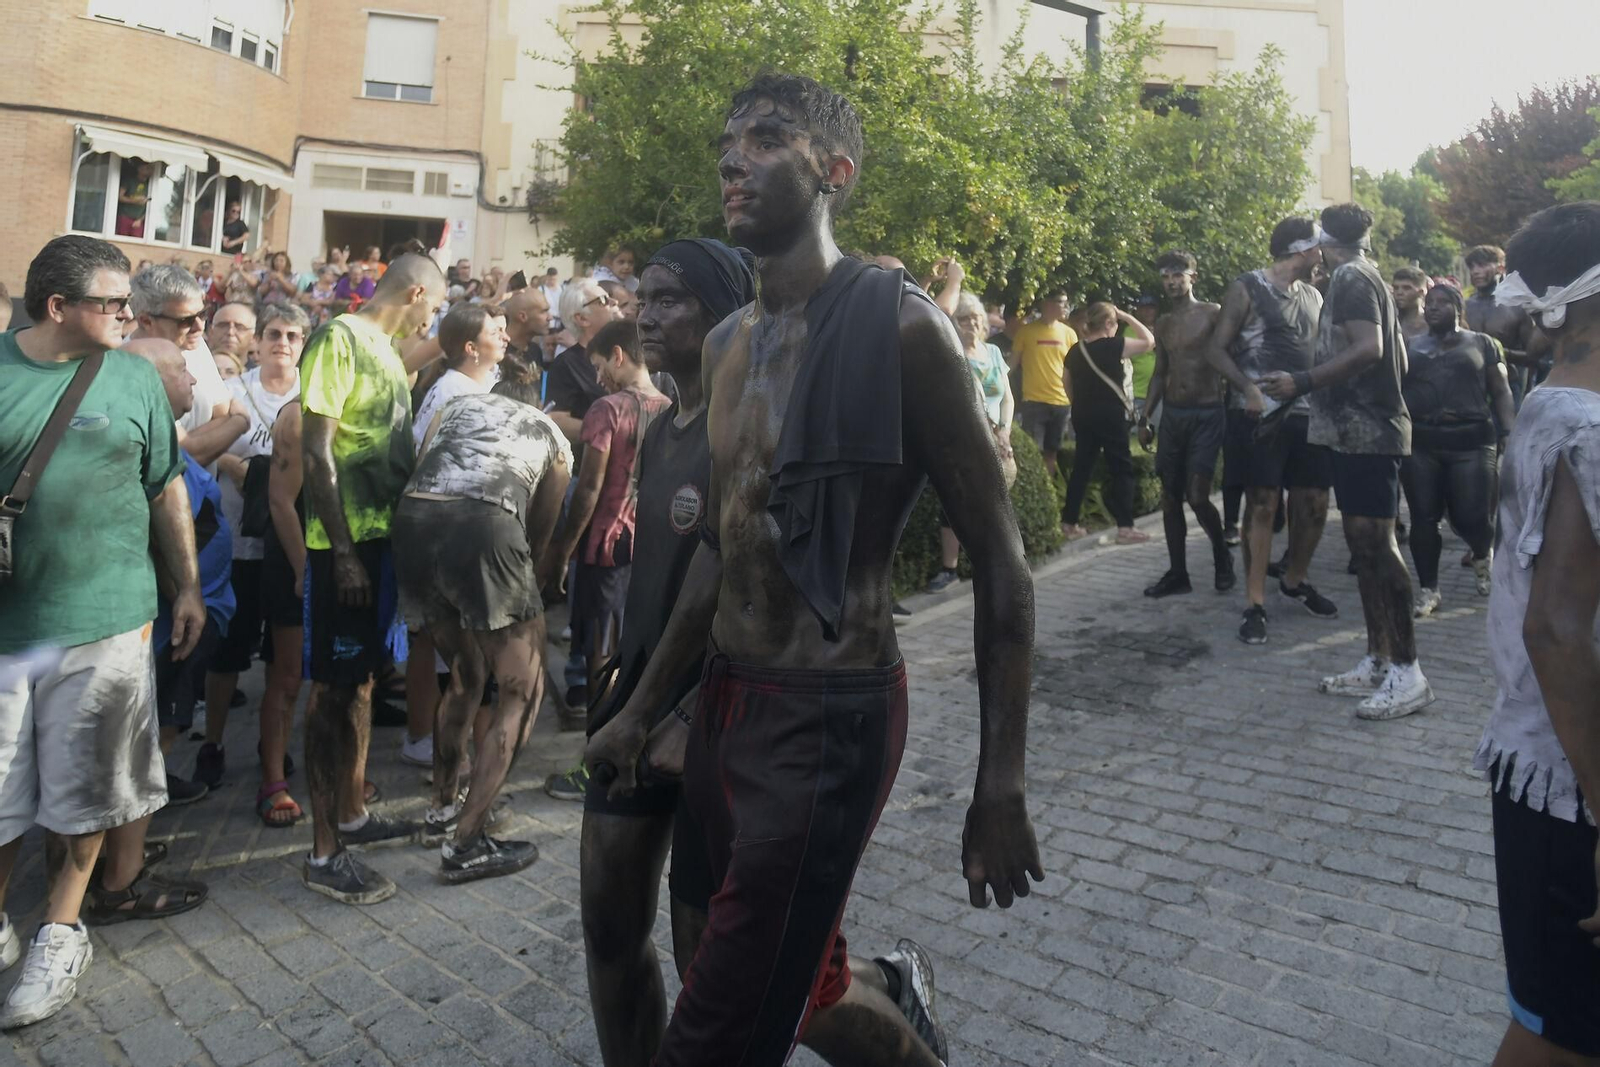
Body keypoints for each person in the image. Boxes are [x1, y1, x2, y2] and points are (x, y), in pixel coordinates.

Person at [586, 73, 1042, 1067]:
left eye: (765, 137)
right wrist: (645, 703)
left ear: (833, 170)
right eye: (727, 137)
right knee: (765, 970)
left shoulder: (903, 330)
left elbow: (1004, 562)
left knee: (713, 1032)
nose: (731, 156)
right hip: (727, 701)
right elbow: (724, 543)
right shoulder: (725, 343)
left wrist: (999, 778)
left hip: (830, 710)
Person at [0, 236, 203, 1029]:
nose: (130, 314)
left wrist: (186, 585)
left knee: (89, 787)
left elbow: (166, 486)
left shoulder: (133, 378)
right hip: (10, 626)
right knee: (5, 791)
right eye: (115, 304)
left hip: (110, 615)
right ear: (58, 308)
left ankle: (60, 927)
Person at [1470, 200, 1600, 1067]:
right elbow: (1555, 629)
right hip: (1571, 784)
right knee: (1561, 1036)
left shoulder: (1552, 403)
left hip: (1547, 766)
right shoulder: (1587, 423)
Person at [297, 254, 446, 904]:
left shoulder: (386, 350)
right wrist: (346, 550)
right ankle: (324, 851)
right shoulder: (339, 337)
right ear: (415, 292)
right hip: (345, 549)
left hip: (381, 543)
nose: (430, 318)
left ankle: (353, 813)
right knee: (332, 695)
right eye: (432, 307)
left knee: (357, 686)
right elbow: (316, 449)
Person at [394, 363, 571, 881]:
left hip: (415, 522)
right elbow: (539, 531)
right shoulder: (551, 433)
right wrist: (528, 588)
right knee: (525, 688)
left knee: (467, 676)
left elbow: (424, 465)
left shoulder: (456, 408)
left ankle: (442, 810)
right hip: (487, 526)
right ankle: (467, 841)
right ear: (534, 404)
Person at [1263, 203, 1432, 720]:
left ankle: (1409, 673)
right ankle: (1379, 659)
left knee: (1378, 548)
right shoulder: (1361, 276)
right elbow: (1398, 358)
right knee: (1364, 547)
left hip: (1368, 434)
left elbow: (1373, 349)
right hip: (1355, 431)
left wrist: (1305, 382)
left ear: (1324, 241)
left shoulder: (1354, 279)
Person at [84, 337, 223, 926]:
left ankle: (120, 854)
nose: (194, 382)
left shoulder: (148, 435)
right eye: (181, 371)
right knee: (131, 751)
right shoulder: (133, 439)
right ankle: (119, 880)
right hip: (147, 625)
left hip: (156, 619)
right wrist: (185, 593)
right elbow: (155, 525)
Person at [538, 319, 671, 798]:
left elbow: (589, 490)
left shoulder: (607, 410)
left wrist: (561, 552)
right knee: (639, 652)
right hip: (651, 550)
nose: (598, 379)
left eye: (599, 366)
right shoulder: (672, 409)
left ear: (618, 355)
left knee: (600, 655)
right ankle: (637, 751)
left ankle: (596, 763)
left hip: (606, 548)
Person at [1206, 216, 1337, 645]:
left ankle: (1295, 580)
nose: (1322, 252)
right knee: (1262, 505)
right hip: (1257, 416)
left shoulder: (1314, 295)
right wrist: (1247, 388)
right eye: (1318, 246)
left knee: (1315, 503)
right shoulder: (1248, 287)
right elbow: (1215, 349)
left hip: (1307, 414)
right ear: (1301, 250)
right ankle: (1255, 603)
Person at [200, 304, 304, 802]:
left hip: (287, 546)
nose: (282, 342)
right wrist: (236, 465)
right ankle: (214, 742)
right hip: (237, 538)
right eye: (274, 334)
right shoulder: (235, 392)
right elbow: (199, 442)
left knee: (282, 656)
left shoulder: (312, 396)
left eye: (292, 334)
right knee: (228, 652)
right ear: (257, 343)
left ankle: (272, 743)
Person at [401, 303, 512, 772]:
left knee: (447, 643)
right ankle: (426, 740)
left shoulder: (471, 384)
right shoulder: (455, 391)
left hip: (457, 527)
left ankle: (440, 737)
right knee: (437, 640)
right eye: (495, 332)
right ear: (471, 348)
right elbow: (427, 458)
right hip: (444, 530)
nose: (504, 338)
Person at [1400, 283, 1516, 617]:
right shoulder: (1410, 347)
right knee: (1424, 517)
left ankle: (1482, 552)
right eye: (1429, 303)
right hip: (1422, 442)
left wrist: (1510, 429)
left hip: (1472, 441)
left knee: (1472, 517)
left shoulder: (1482, 343)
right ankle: (1428, 589)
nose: (1432, 308)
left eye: (1441, 303)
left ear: (1457, 308)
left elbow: (1502, 391)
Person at [1140, 251, 1232, 597]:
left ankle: (1222, 555)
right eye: (1165, 276)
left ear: (1193, 277)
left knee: (1197, 496)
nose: (1171, 281)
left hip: (1207, 413)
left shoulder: (1212, 313)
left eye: (1178, 274)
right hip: (1174, 415)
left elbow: (1228, 357)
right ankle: (1178, 573)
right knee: (1170, 496)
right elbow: (1160, 372)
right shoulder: (1162, 323)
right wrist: (1146, 416)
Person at [927, 290, 1014, 593]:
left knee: (995, 502)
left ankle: (994, 562)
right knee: (954, 502)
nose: (971, 323)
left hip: (995, 440)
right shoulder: (951, 354)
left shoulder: (993, 353)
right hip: (960, 438)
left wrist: (1005, 429)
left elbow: (1007, 397)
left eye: (975, 318)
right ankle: (949, 569)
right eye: (963, 318)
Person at [129, 267, 247, 468]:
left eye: (202, 314)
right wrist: (240, 422)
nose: (200, 327)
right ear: (146, 320)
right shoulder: (132, 366)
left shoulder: (195, 345)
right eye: (186, 320)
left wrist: (198, 440)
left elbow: (221, 412)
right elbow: (184, 454)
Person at [1060, 302, 1153, 544]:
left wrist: (1078, 404)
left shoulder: (1076, 350)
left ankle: (1068, 523)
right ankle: (1125, 528)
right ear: (1109, 324)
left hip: (1082, 413)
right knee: (1121, 468)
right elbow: (1148, 341)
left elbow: (1066, 382)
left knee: (1082, 468)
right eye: (1115, 324)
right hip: (1111, 414)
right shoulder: (1115, 346)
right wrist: (1127, 316)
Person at [1465, 244, 1549, 403]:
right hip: (1471, 388)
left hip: (1511, 387)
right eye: (1471, 266)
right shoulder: (1465, 307)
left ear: (1501, 268)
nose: (1475, 271)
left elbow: (1535, 358)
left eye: (1482, 265)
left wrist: (1500, 352)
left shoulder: (1519, 306)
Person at [1012, 290, 1077, 479]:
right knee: (1032, 452)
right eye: (1060, 302)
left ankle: (1048, 496)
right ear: (1047, 304)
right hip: (1034, 401)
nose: (1065, 306)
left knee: (1052, 453)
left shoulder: (1069, 334)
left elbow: (1074, 369)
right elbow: (1012, 365)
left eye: (1066, 302)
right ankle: (1032, 493)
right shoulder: (1026, 332)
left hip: (1061, 401)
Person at [1393, 266, 1430, 341]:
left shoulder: (1432, 322)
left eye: (1406, 288)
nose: (1399, 292)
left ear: (1421, 292)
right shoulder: (1390, 321)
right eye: (1396, 288)